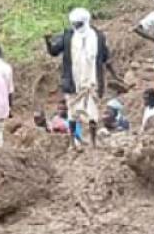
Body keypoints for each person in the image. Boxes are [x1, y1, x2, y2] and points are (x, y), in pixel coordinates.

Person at [46, 8, 119, 149]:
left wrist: (113, 75)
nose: (76, 27)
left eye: (78, 24)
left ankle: (93, 142)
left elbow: (105, 57)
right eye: (74, 24)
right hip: (73, 81)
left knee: (93, 112)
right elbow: (54, 52)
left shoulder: (98, 36)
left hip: (92, 81)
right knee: (72, 113)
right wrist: (48, 43)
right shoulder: (68, 36)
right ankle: (73, 142)